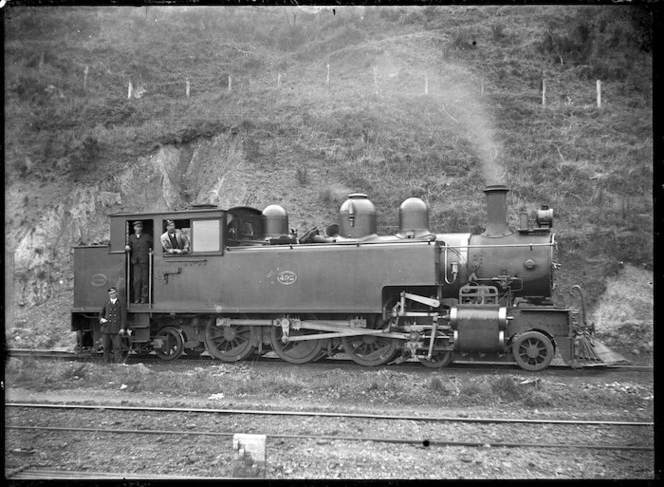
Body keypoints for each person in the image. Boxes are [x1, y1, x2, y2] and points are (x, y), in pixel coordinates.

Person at [125, 220, 153, 304]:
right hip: (135, 261)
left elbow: (154, 244)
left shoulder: (147, 236)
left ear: (142, 228)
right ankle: (136, 298)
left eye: (140, 227)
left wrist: (152, 252)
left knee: (145, 280)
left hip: (144, 261)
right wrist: (127, 247)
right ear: (134, 228)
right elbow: (129, 244)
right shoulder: (131, 237)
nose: (138, 228)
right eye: (137, 227)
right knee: (136, 281)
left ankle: (144, 299)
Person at [99, 287, 127, 364]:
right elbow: (101, 314)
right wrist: (101, 319)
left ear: (116, 293)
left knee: (117, 347)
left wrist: (122, 328)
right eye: (110, 293)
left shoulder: (121, 303)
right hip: (107, 327)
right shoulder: (106, 303)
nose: (112, 295)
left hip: (116, 328)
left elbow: (123, 317)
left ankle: (118, 363)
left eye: (113, 293)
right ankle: (105, 362)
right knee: (106, 347)